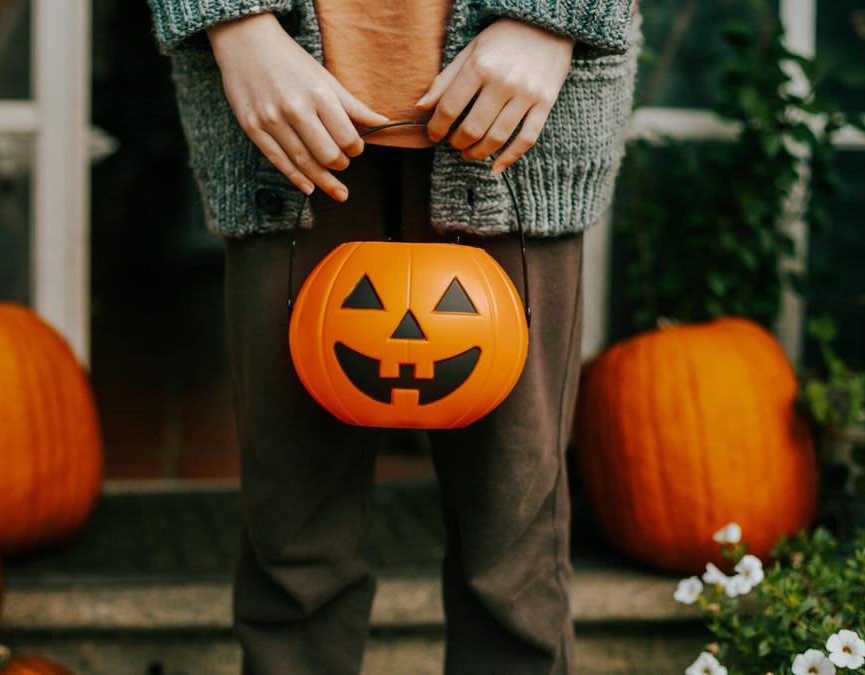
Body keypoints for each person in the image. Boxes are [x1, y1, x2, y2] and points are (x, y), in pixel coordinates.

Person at [146, 2, 640, 673]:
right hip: (284, 126)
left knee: (515, 554)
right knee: (292, 548)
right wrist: (236, 26)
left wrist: (552, 17)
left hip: (517, 123)